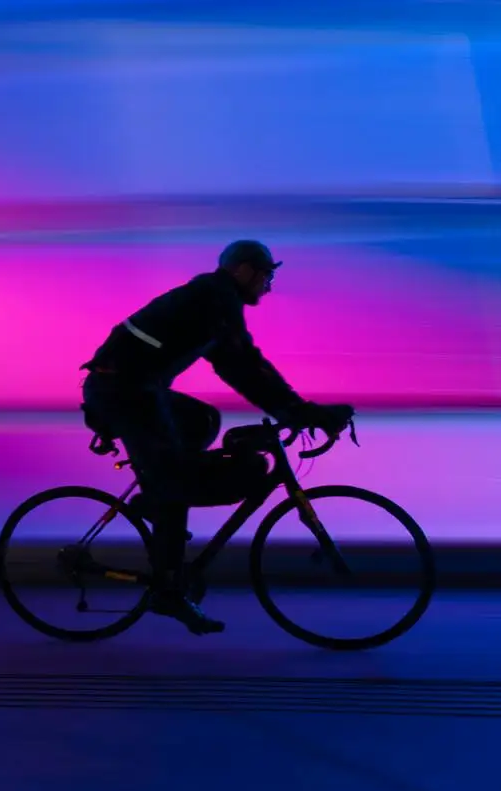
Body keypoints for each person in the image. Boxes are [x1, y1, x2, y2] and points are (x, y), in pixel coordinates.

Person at [80, 241, 353, 635]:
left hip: (136, 389)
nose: (269, 286)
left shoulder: (213, 298)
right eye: (267, 276)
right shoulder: (212, 299)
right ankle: (168, 590)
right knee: (174, 485)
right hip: (123, 394)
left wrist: (294, 409)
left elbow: (242, 363)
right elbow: (242, 365)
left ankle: (155, 495)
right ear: (244, 271)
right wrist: (298, 411)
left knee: (203, 420)